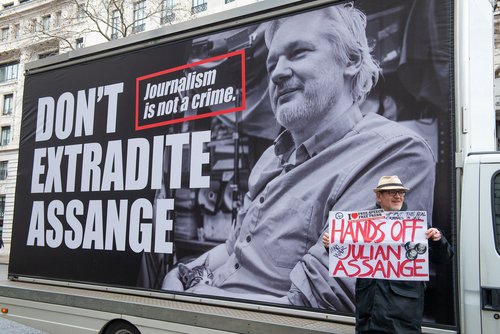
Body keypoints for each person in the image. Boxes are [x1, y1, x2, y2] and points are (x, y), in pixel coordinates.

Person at [162, 3, 436, 312]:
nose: (277, 73)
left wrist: (193, 299)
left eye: (298, 52)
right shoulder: (272, 157)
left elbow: (328, 309)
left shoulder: (395, 154)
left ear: (351, 60)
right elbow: (233, 249)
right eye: (272, 64)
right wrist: (179, 275)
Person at [323, 175, 453, 333]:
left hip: (402, 319)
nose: (398, 196)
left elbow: (443, 258)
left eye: (401, 192)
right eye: (391, 192)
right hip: (368, 315)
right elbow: (350, 255)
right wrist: (332, 246)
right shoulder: (363, 226)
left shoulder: (417, 226)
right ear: (379, 196)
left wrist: (437, 240)